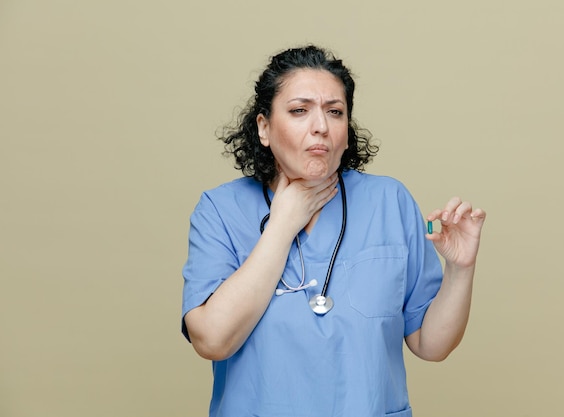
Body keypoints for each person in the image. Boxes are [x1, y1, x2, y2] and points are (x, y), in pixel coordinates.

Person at [181, 45, 486, 417]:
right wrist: (283, 224)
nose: (321, 126)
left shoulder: (389, 202)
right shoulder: (220, 211)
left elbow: (431, 344)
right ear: (264, 127)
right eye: (299, 110)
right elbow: (211, 339)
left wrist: (460, 269)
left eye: (335, 112)